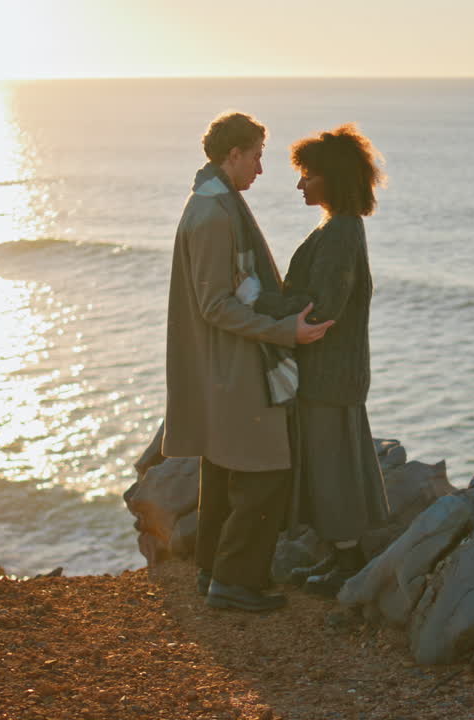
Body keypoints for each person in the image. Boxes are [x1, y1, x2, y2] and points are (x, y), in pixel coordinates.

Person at [164, 111, 333, 613]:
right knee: (264, 475)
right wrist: (288, 331)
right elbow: (216, 305)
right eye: (256, 156)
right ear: (231, 155)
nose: (261, 168)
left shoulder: (212, 202)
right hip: (233, 367)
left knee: (221, 472)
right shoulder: (215, 215)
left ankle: (212, 572)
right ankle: (233, 584)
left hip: (218, 366)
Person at [253, 123, 391, 598]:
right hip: (335, 373)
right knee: (334, 465)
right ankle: (340, 557)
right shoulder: (340, 228)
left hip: (330, 375)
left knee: (332, 468)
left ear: (330, 178)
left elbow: (324, 306)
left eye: (307, 175)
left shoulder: (339, 233)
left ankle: (348, 562)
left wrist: (258, 302)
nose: (299, 184)